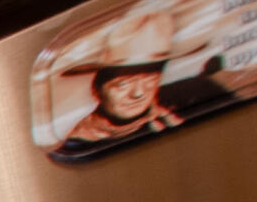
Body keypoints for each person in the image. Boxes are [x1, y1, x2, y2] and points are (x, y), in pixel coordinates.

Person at [54, 59, 182, 160]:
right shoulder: (74, 142)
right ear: (96, 91)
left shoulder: (175, 108)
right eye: (123, 84)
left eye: (150, 79)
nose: (138, 93)